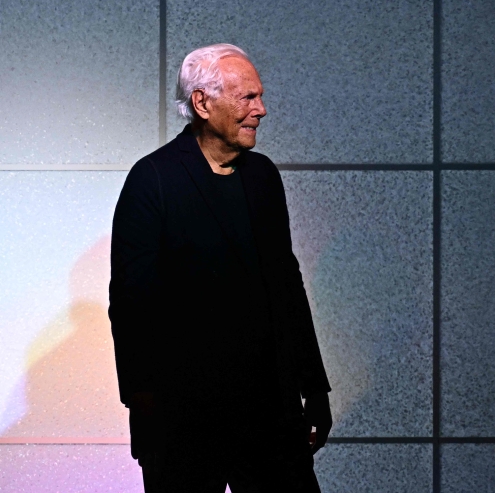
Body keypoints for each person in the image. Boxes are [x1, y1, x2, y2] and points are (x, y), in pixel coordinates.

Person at [109, 44, 332, 492]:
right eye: (247, 97)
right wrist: (145, 409)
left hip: (270, 414)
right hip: (184, 423)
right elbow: (130, 307)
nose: (261, 110)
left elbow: (288, 287)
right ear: (203, 103)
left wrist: (315, 387)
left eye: (260, 96)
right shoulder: (153, 180)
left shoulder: (263, 177)